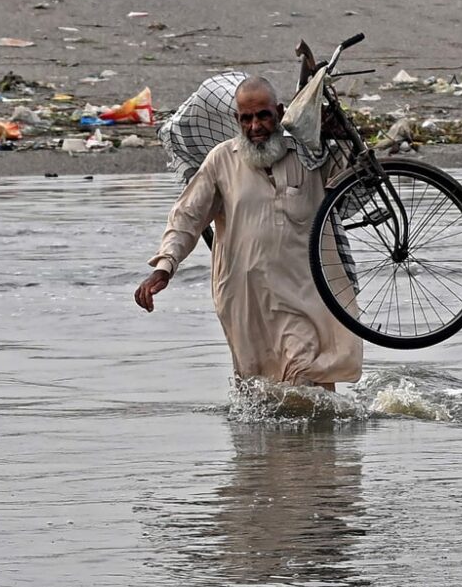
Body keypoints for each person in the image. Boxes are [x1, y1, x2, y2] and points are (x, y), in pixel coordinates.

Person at [134, 76, 362, 391]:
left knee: (307, 380)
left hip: (302, 296)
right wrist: (165, 265)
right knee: (260, 394)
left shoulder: (310, 156)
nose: (255, 127)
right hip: (244, 301)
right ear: (236, 120)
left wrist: (343, 137)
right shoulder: (221, 161)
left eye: (263, 116)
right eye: (246, 118)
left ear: (280, 113)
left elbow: (355, 185)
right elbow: (188, 215)